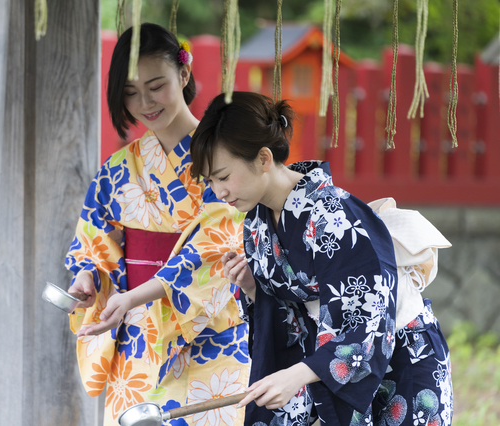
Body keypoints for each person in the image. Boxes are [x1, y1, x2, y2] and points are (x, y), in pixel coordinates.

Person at [189, 91, 453, 426]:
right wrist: (254, 289)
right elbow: (285, 312)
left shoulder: (333, 216)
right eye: (211, 180)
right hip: (331, 361)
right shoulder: (256, 224)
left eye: (223, 176)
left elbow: (365, 317)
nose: (219, 191)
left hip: (399, 355)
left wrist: (297, 375)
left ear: (264, 159)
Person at [65, 24, 250, 426]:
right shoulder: (117, 169)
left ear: (183, 76)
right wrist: (87, 278)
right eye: (130, 92)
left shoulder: (224, 158)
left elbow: (216, 248)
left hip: (210, 335)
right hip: (137, 338)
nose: (145, 102)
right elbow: (93, 241)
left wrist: (133, 298)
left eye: (156, 86)